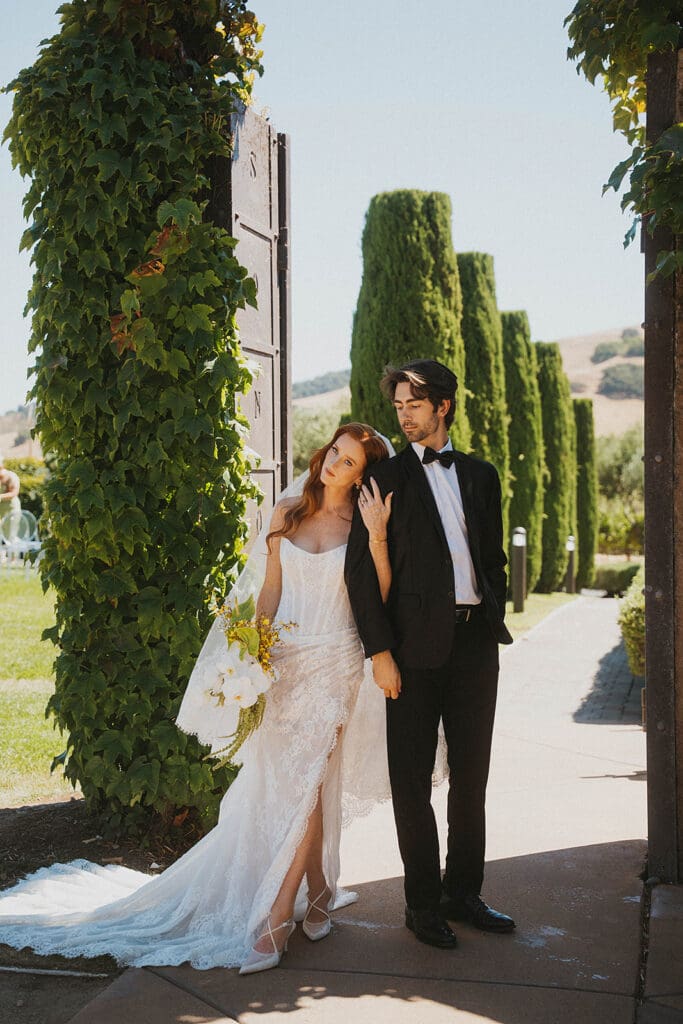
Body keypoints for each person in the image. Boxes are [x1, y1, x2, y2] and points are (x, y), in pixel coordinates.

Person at [0, 424, 393, 973]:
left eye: (349, 461)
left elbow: (381, 596)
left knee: (308, 780)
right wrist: (254, 653)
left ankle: (278, 915)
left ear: (361, 476)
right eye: (334, 451)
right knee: (302, 781)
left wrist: (378, 538)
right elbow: (271, 589)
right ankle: (321, 889)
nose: (334, 463)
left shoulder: (364, 525)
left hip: (336, 661)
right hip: (284, 659)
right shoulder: (289, 512)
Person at [345, 359, 515, 951]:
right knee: (411, 781)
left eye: (414, 405)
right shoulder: (382, 478)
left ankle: (463, 893)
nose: (404, 415)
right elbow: (360, 576)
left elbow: (491, 559)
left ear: (443, 406)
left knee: (472, 777)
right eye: (398, 406)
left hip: (475, 647)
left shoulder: (482, 475)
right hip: (411, 652)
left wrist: (492, 610)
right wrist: (379, 651)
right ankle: (421, 905)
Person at [0, 456, 21, 541]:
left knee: (10, 537)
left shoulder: (11, 476)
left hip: (11, 510)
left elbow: (14, 493)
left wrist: (1, 496)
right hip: (1, 511)